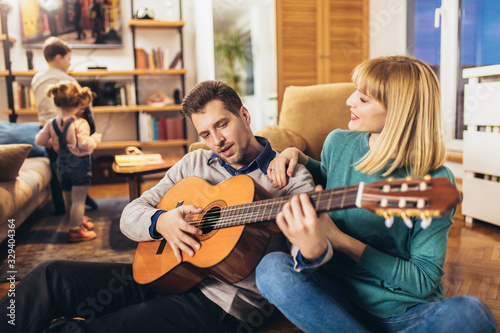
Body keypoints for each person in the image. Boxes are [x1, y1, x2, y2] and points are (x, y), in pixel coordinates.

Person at [0, 80, 315, 332]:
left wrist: (307, 245)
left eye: (222, 124)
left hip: (221, 303)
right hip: (167, 275)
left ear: (244, 116)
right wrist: (162, 221)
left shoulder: (290, 177)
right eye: (205, 133)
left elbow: (303, 266)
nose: (216, 140)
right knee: (50, 277)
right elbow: (131, 214)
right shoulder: (195, 162)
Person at [255, 55, 498, 333]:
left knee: (470, 313)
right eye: (355, 91)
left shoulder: (434, 180)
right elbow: (329, 176)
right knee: (272, 269)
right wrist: (295, 155)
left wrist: (341, 241)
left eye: (364, 99)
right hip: (338, 302)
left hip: (404, 312)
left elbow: (423, 279)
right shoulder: (338, 142)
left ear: (398, 111)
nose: (349, 100)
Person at [32, 36, 99, 214]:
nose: (70, 64)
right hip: (71, 129)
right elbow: (85, 107)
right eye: (68, 59)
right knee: (78, 166)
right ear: (58, 58)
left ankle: (61, 206)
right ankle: (80, 201)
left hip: (47, 127)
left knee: (57, 169)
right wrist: (92, 131)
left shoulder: (37, 78)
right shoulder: (66, 81)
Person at [35, 82, 102, 243]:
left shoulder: (51, 123)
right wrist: (95, 138)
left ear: (57, 102)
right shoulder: (80, 123)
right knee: (79, 200)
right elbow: (84, 144)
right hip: (79, 166)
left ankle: (76, 221)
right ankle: (75, 231)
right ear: (79, 103)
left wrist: (54, 143)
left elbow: (39, 140)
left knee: (70, 199)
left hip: (61, 166)